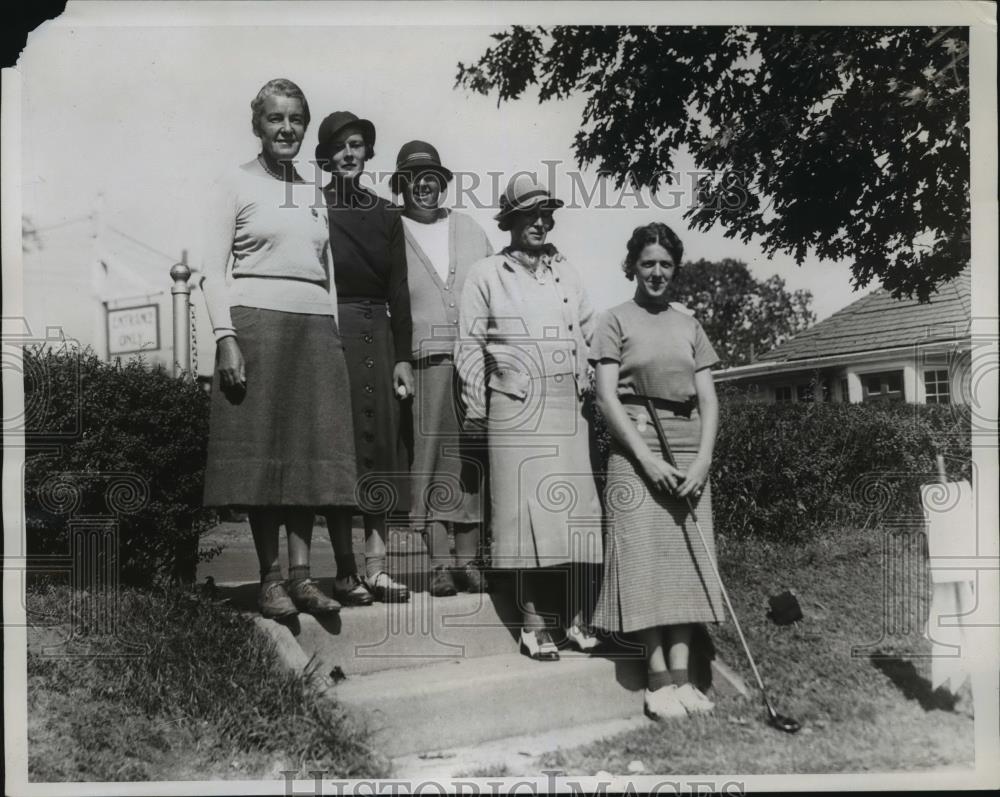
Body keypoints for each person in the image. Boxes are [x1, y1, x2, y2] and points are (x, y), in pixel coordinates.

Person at [200, 78, 354, 618]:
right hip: (255, 325)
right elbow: (211, 273)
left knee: (308, 457)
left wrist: (332, 334)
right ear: (257, 125)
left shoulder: (313, 191)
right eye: (275, 118)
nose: (285, 128)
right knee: (266, 458)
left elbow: (327, 275)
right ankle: (270, 581)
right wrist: (226, 338)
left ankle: (304, 578)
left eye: (295, 119)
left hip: (313, 328)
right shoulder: (234, 183)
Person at [456, 174, 602, 661]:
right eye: (529, 215)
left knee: (574, 515)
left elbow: (589, 331)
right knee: (525, 518)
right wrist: (477, 406)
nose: (541, 222)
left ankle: (578, 620)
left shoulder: (565, 271)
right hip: (515, 407)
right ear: (511, 221)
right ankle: (534, 624)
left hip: (568, 407)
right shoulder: (486, 274)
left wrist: (595, 386)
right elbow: (469, 347)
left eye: (547, 213)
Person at [590, 222, 725, 720]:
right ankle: (657, 681)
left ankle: (685, 679)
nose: (657, 272)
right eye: (648, 263)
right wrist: (646, 460)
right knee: (645, 561)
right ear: (633, 265)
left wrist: (704, 460)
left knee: (686, 562)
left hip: (689, 453)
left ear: (675, 268)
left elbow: (709, 398)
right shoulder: (614, 319)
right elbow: (606, 396)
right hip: (636, 453)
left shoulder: (689, 324)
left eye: (666, 264)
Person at [315, 111, 414, 604]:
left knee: (379, 449)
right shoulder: (315, 208)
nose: (350, 154)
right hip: (334, 327)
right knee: (343, 448)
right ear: (326, 158)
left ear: (367, 153)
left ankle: (378, 567)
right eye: (340, 147)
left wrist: (403, 357)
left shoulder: (387, 214)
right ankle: (345, 570)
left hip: (381, 333)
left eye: (357, 145)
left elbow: (399, 289)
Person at [391, 140, 494, 596]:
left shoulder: (470, 228)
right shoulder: (391, 231)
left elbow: (494, 287)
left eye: (432, 175)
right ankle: (436, 564)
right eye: (414, 177)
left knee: (470, 460)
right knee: (429, 462)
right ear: (401, 185)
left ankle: (468, 560)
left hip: (474, 360)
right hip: (422, 360)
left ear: (443, 181)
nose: (424, 184)